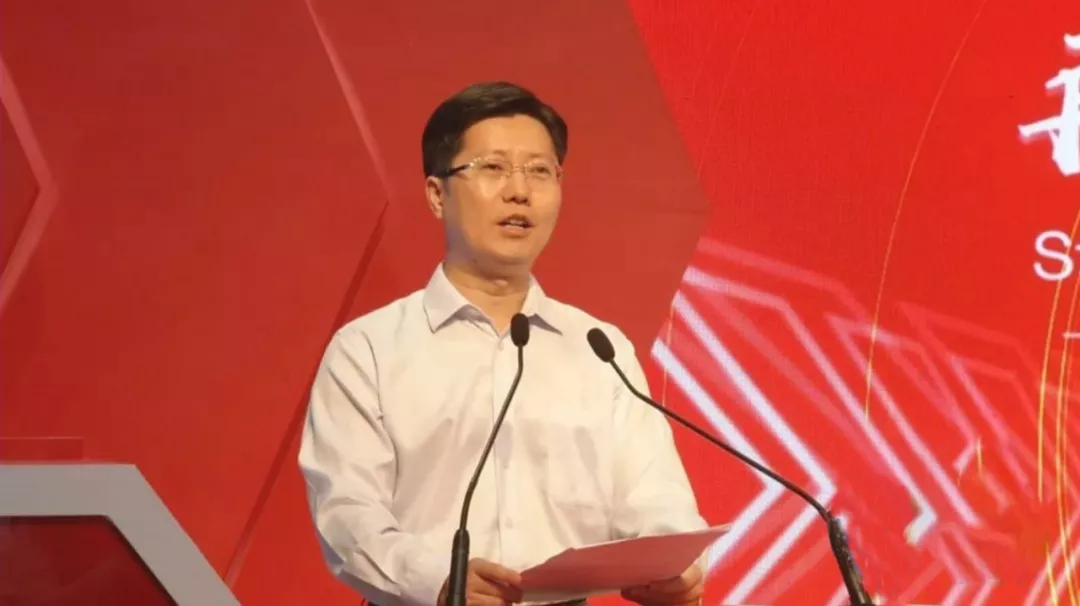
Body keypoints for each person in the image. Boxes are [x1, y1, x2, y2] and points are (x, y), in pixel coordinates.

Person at [298, 81, 708, 606]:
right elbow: (347, 511)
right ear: (437, 194)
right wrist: (438, 579)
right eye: (493, 167)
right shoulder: (368, 350)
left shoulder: (600, 349)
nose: (520, 191)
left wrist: (677, 564)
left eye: (539, 171)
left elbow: (654, 494)